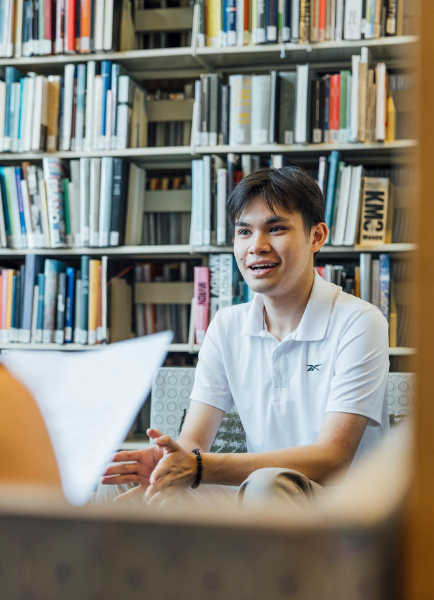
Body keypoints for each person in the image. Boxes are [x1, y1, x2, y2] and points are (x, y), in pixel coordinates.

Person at [98, 166, 389, 511]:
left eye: (276, 228)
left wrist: (200, 468)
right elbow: (193, 441)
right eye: (244, 232)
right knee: (122, 479)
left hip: (346, 507)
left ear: (316, 236)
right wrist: (169, 464)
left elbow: (332, 460)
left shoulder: (359, 320)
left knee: (267, 484)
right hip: (259, 495)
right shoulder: (226, 325)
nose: (257, 246)